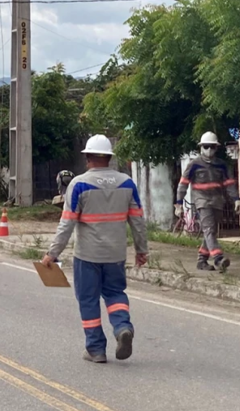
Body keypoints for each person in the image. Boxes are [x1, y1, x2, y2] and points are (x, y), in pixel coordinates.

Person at [42, 134, 148, 364]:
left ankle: (96, 349)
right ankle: (122, 327)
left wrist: (53, 252)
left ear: (87, 157)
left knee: (88, 300)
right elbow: (138, 220)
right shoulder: (127, 183)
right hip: (116, 254)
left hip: (87, 255)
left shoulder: (79, 184)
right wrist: (142, 250)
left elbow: (67, 222)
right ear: (109, 158)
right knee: (115, 294)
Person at [175, 131, 240, 272]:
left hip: (218, 201)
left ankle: (202, 261)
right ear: (201, 147)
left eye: (212, 147)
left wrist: (236, 199)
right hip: (201, 201)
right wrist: (179, 204)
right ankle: (218, 258)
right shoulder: (194, 165)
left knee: (210, 232)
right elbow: (183, 184)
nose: (209, 150)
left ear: (216, 148)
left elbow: (229, 183)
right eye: (206, 146)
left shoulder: (221, 165)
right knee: (209, 229)